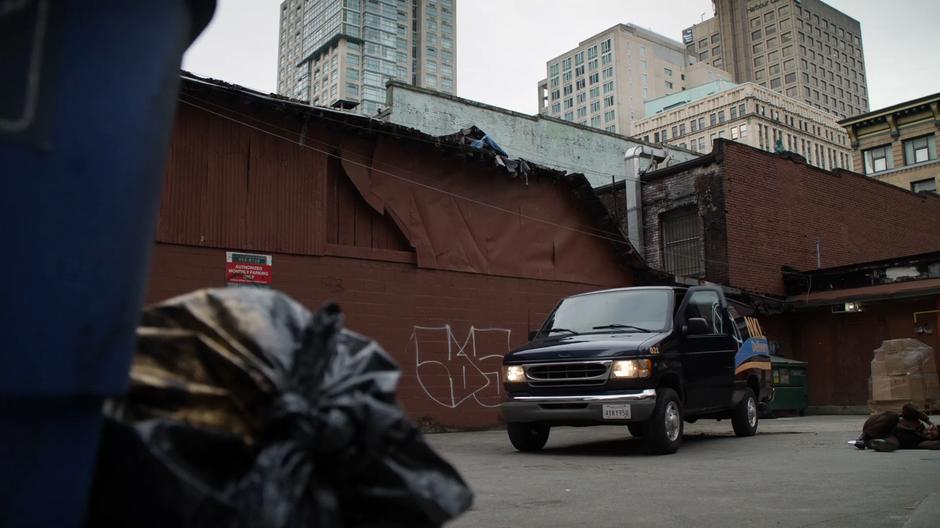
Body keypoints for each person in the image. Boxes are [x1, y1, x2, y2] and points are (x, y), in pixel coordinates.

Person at [854, 404, 940, 452]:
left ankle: (874, 443)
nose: (928, 432)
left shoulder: (921, 442)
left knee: (892, 445)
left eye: (931, 435)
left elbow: (936, 445)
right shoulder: (915, 421)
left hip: (890, 437)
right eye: (932, 429)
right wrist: (928, 421)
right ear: (931, 426)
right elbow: (908, 407)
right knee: (892, 416)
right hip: (883, 425)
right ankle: (863, 438)